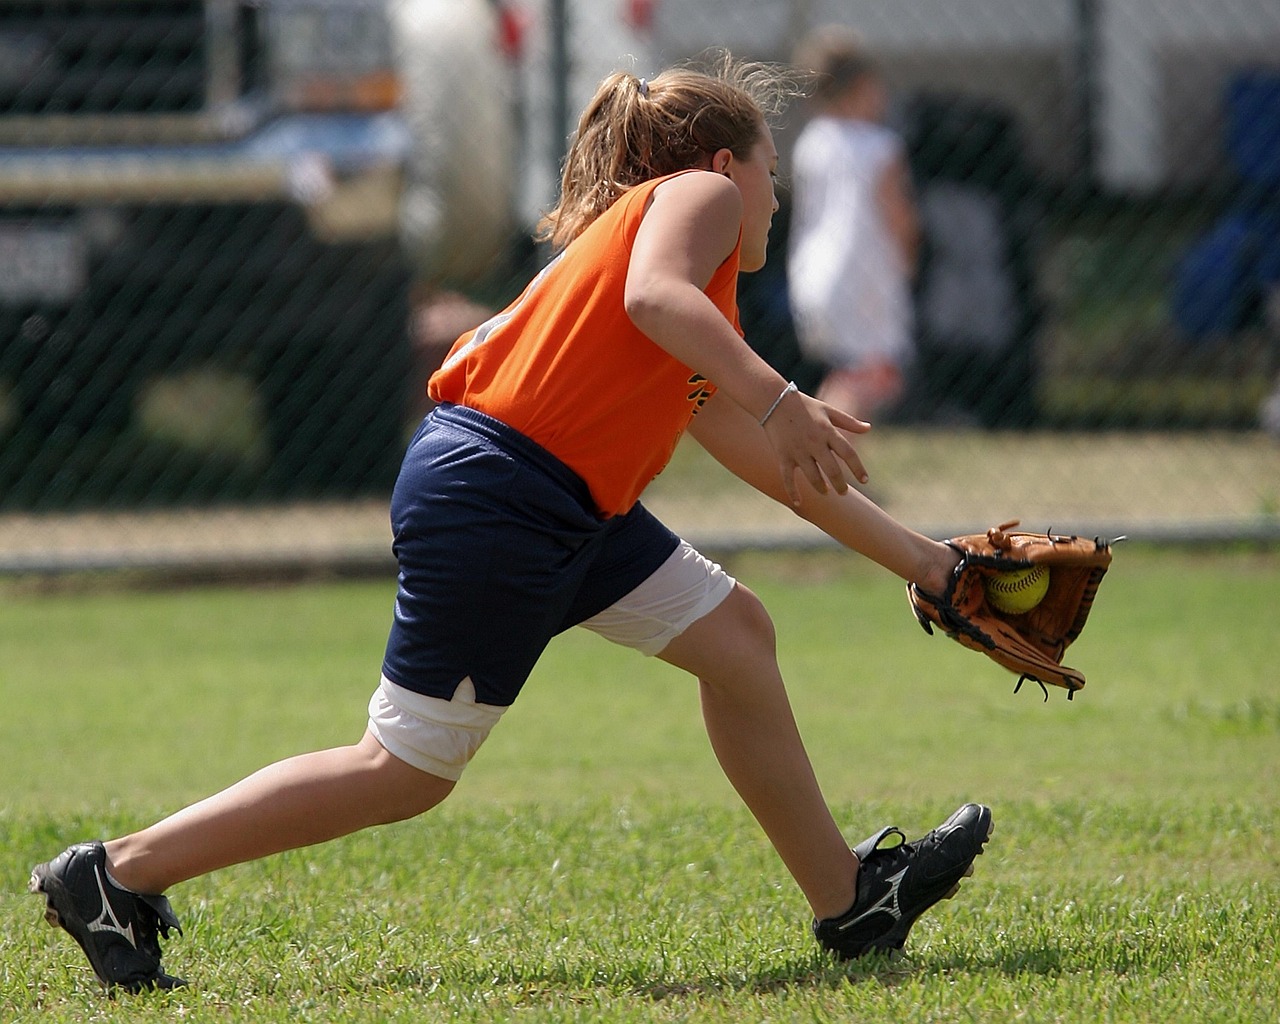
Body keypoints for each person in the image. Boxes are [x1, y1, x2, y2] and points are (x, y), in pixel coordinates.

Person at [29, 53, 991, 993]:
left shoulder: (682, 294)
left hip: (559, 501)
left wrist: (933, 566)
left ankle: (851, 901)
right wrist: (784, 396)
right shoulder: (699, 203)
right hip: (503, 496)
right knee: (401, 770)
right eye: (771, 171)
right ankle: (114, 874)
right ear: (724, 165)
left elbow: (786, 471)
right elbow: (661, 306)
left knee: (738, 638)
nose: (774, 198)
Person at [787, 26, 920, 421]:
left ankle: (827, 458)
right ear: (862, 86)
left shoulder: (812, 141)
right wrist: (910, 257)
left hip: (814, 271)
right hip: (865, 276)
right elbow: (898, 215)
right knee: (878, 374)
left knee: (848, 374)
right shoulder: (881, 147)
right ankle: (833, 470)